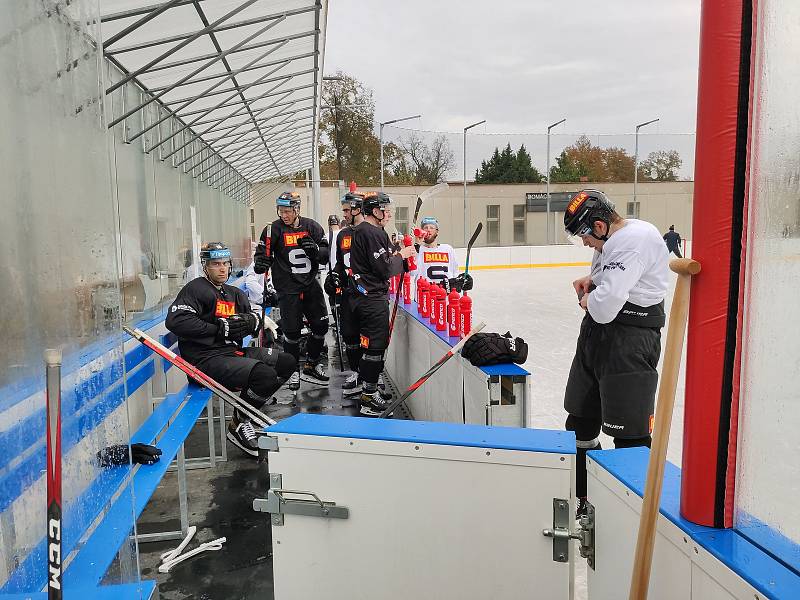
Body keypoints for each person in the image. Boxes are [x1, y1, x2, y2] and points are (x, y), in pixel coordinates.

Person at [562, 189, 669, 517]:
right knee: (579, 420)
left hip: (629, 343)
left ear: (598, 225)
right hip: (597, 339)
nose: (585, 244)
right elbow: (611, 277)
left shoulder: (635, 239)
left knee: (629, 437)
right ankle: (585, 496)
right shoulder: (616, 237)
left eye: (584, 236)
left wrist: (588, 299)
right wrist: (593, 278)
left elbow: (606, 307)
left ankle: (633, 515)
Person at [166, 242, 296, 458]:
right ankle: (240, 422)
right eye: (216, 264)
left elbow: (250, 319)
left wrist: (258, 323)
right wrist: (219, 328)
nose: (222, 268)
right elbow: (176, 321)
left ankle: (248, 411)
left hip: (230, 354)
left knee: (287, 362)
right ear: (205, 266)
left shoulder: (234, 293)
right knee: (264, 376)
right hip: (205, 361)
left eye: (225, 263)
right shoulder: (196, 289)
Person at [253, 191, 330, 390]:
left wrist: (315, 250)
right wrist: (260, 263)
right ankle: (292, 370)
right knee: (292, 333)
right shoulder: (272, 229)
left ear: (297, 209)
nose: (284, 215)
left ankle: (312, 363)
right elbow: (262, 256)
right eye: (281, 211)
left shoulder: (312, 226)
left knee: (321, 327)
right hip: (288, 288)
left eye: (288, 211)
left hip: (310, 284)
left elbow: (325, 256)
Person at [348, 191, 415, 415]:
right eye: (385, 210)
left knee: (374, 346)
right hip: (370, 299)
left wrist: (399, 250)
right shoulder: (369, 232)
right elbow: (385, 268)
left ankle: (371, 387)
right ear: (375, 211)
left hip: (365, 297)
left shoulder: (372, 231)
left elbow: (384, 259)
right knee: (375, 347)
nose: (389, 213)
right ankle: (368, 396)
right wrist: (402, 255)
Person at [325, 192, 364, 393]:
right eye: (344, 211)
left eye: (348, 210)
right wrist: (333, 278)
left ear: (359, 209)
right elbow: (340, 263)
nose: (345, 214)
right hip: (348, 294)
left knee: (367, 337)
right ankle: (357, 372)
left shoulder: (370, 232)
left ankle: (371, 376)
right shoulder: (343, 234)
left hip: (367, 295)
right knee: (349, 335)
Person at [413, 216, 473, 292]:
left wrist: (462, 282)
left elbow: (455, 273)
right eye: (425, 227)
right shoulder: (418, 249)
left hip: (445, 298)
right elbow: (412, 272)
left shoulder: (448, 249)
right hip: (424, 298)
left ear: (437, 231)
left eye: (431, 227)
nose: (428, 230)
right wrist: (417, 246)